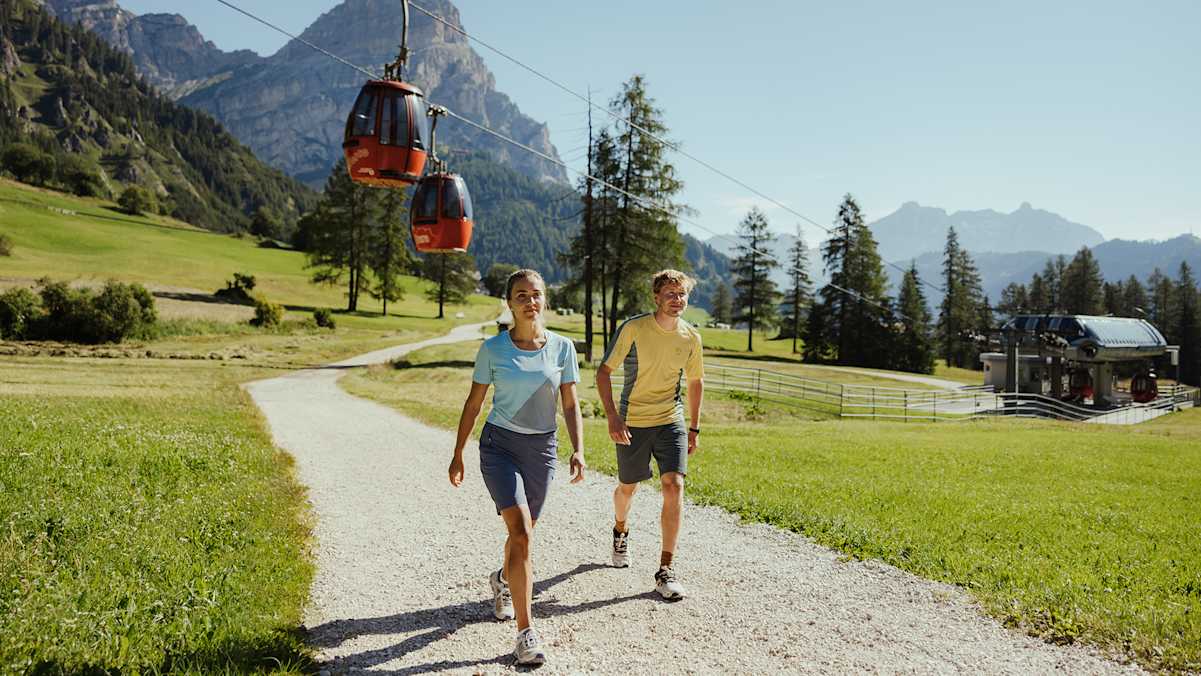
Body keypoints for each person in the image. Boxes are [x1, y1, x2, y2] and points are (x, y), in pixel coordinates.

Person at [449, 268, 586, 666]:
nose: (530, 301)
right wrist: (458, 451)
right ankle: (526, 633)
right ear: (509, 303)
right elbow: (474, 404)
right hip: (499, 447)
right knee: (521, 532)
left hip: (542, 449)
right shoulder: (493, 349)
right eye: (521, 295)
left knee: (524, 533)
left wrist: (578, 449)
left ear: (545, 300)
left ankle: (503, 579)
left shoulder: (562, 348)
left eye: (536, 294)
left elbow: (571, 403)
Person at [596, 269, 704, 600]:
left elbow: (695, 382)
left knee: (674, 485)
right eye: (670, 294)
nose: (677, 300)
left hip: (671, 419)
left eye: (682, 294)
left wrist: (694, 427)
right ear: (656, 297)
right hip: (633, 420)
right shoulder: (634, 328)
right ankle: (620, 529)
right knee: (628, 488)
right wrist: (613, 417)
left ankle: (666, 569)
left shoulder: (690, 338)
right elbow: (603, 372)